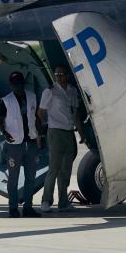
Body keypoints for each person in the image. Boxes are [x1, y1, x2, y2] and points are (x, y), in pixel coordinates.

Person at [38, 66, 83, 212]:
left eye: (61, 74)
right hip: (55, 131)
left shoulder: (72, 91)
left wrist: (81, 133)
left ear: (67, 76)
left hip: (69, 132)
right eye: (56, 74)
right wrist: (45, 127)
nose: (59, 77)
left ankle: (63, 202)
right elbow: (41, 111)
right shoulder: (50, 91)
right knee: (54, 168)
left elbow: (75, 114)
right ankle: (46, 201)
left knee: (66, 169)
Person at [0, 71, 43, 218]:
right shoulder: (6, 100)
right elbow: (0, 119)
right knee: (13, 177)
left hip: (30, 141)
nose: (17, 86)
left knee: (31, 176)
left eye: (20, 83)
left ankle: (28, 207)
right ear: (11, 85)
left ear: (23, 83)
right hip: (14, 143)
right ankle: (13, 208)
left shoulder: (32, 97)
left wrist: (39, 135)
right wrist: (4, 133)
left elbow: (35, 117)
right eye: (15, 84)